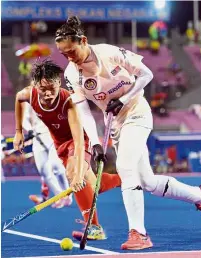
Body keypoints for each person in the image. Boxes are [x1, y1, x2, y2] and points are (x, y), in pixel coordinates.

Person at [55, 16, 201, 250]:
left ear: (83, 40)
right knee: (148, 182)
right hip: (117, 124)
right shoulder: (72, 74)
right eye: (64, 54)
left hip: (137, 112)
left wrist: (123, 99)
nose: (69, 58)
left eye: (71, 51)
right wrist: (97, 143)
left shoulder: (110, 53)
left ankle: (138, 234)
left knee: (126, 167)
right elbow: (84, 111)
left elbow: (146, 75)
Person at [13, 60, 121, 241]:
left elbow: (78, 142)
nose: (48, 94)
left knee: (73, 175)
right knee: (96, 186)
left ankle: (94, 228)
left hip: (77, 140)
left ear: (59, 83)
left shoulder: (68, 102)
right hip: (59, 145)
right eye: (42, 89)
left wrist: (77, 173)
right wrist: (18, 132)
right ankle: (124, 178)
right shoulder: (28, 94)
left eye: (52, 88)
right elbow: (18, 98)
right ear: (35, 85)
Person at [22, 102, 72, 208]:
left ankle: (68, 196)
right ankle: (60, 196)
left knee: (56, 167)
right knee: (44, 171)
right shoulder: (30, 101)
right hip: (37, 138)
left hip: (54, 136)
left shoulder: (55, 98)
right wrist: (30, 130)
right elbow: (24, 119)